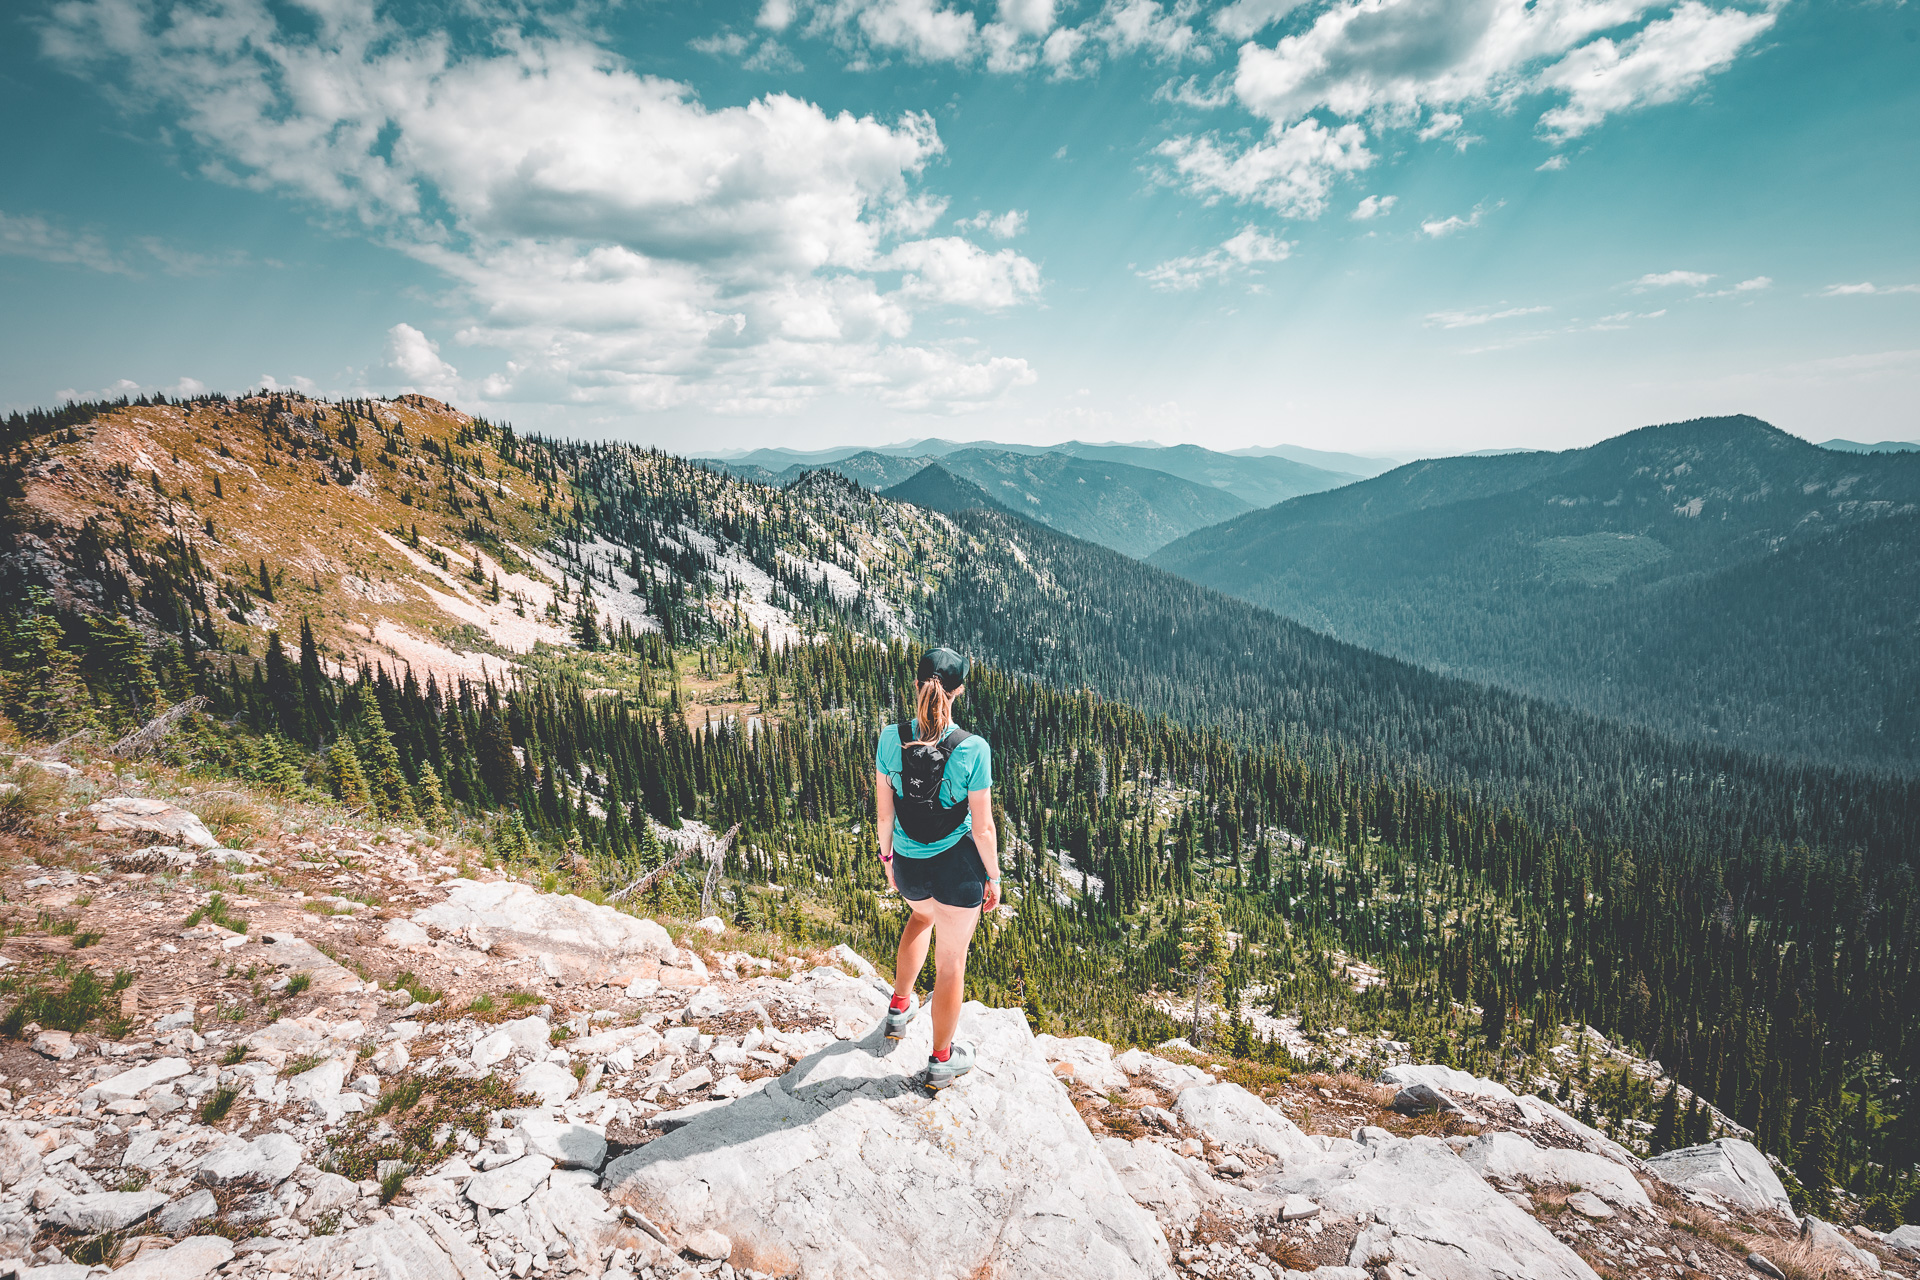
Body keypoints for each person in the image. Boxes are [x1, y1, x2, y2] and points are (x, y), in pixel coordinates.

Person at [874, 646, 1000, 1089]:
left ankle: (898, 1007)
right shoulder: (973, 748)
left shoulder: (891, 738)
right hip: (958, 872)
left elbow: (885, 816)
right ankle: (941, 1060)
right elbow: (983, 828)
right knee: (951, 965)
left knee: (919, 916)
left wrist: (889, 860)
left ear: (916, 686)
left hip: (909, 868)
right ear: (959, 691)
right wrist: (994, 878)